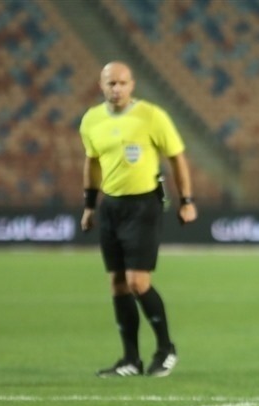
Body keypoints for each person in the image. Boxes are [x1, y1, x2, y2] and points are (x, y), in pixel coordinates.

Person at [79, 61, 198, 378]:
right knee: (118, 284)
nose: (116, 88)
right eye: (110, 83)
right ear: (101, 85)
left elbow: (177, 158)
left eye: (122, 83)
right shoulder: (91, 120)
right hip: (110, 206)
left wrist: (186, 200)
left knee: (137, 281)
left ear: (132, 85)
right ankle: (130, 360)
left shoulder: (152, 116)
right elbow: (92, 163)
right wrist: (89, 206)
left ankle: (166, 349)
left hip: (143, 205)